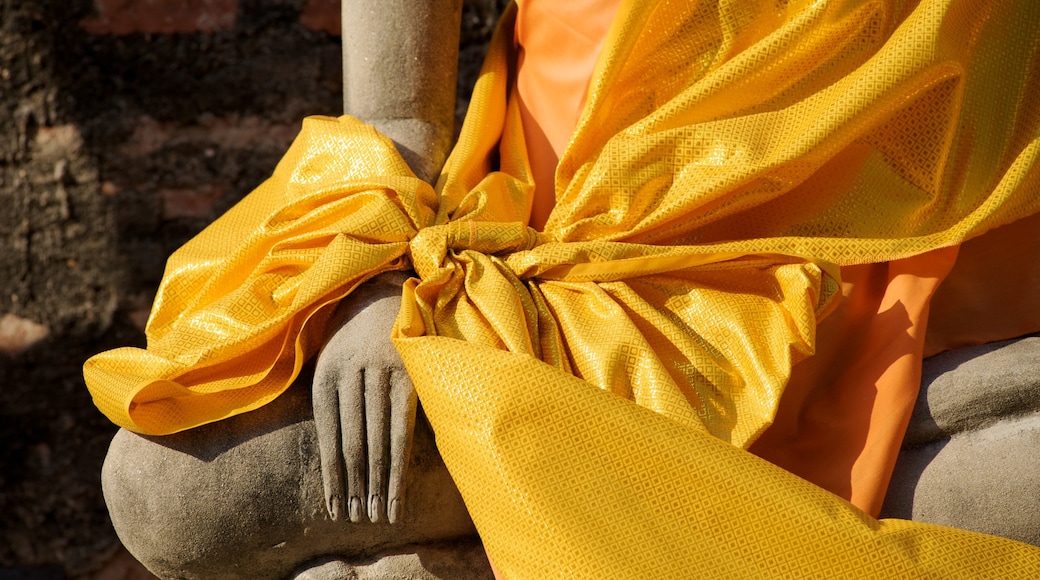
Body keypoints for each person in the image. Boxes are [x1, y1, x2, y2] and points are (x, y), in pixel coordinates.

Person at [87, 0, 1040, 577]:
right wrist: (383, 251)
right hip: (573, 218)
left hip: (899, 190)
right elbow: (391, 118)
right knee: (167, 491)